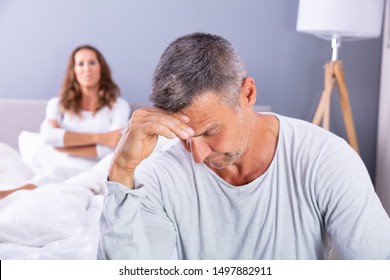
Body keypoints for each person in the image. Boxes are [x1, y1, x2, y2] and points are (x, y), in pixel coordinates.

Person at [97, 33, 390, 260]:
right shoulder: (159, 176)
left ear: (247, 93)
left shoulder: (325, 159)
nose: (198, 155)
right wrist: (122, 169)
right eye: (183, 136)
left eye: (210, 131)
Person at [0, 45, 130, 199]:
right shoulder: (58, 104)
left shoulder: (118, 106)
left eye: (92, 63)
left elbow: (111, 149)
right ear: (73, 70)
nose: (87, 68)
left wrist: (63, 146)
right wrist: (101, 138)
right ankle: (9, 195)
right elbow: (49, 137)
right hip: (63, 167)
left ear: (101, 67)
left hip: (97, 169)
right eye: (80, 64)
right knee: (50, 177)